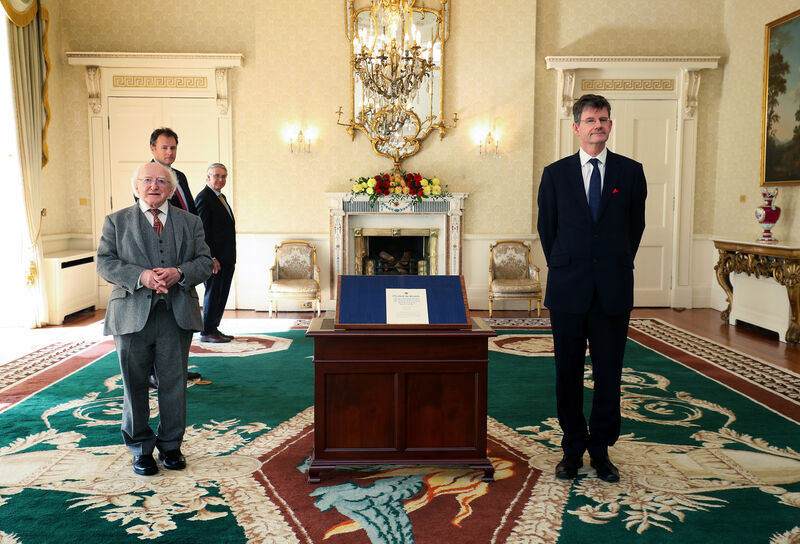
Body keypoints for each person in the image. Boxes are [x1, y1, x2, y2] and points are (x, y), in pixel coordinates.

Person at [536, 94, 647, 483]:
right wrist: (567, 262)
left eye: (603, 119)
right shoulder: (555, 174)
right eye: (590, 120)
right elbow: (547, 229)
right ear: (576, 128)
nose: (597, 125)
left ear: (610, 125)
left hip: (613, 289)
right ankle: (571, 450)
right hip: (568, 288)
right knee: (566, 373)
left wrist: (613, 261)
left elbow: (635, 227)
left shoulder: (631, 172)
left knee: (609, 374)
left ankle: (600, 451)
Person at [97, 161, 213, 476]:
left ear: (171, 189)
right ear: (136, 186)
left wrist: (180, 273)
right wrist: (142, 276)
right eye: (147, 180)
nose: (153, 185)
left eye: (161, 181)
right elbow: (105, 263)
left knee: (174, 384)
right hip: (130, 315)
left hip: (176, 315)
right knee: (134, 384)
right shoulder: (116, 221)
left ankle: (171, 446)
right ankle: (140, 449)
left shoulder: (190, 222)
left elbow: (205, 262)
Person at [194, 163, 236, 343]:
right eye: (217, 175)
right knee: (213, 293)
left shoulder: (220, 197)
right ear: (208, 177)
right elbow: (202, 231)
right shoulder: (204, 198)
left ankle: (214, 328)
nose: (220, 179)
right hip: (215, 258)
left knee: (221, 294)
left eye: (224, 176)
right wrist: (210, 257)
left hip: (227, 256)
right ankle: (207, 332)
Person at [150, 127, 197, 214]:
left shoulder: (180, 176)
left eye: (172, 148)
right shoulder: (146, 175)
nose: (170, 152)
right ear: (153, 149)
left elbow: (191, 208)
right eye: (164, 148)